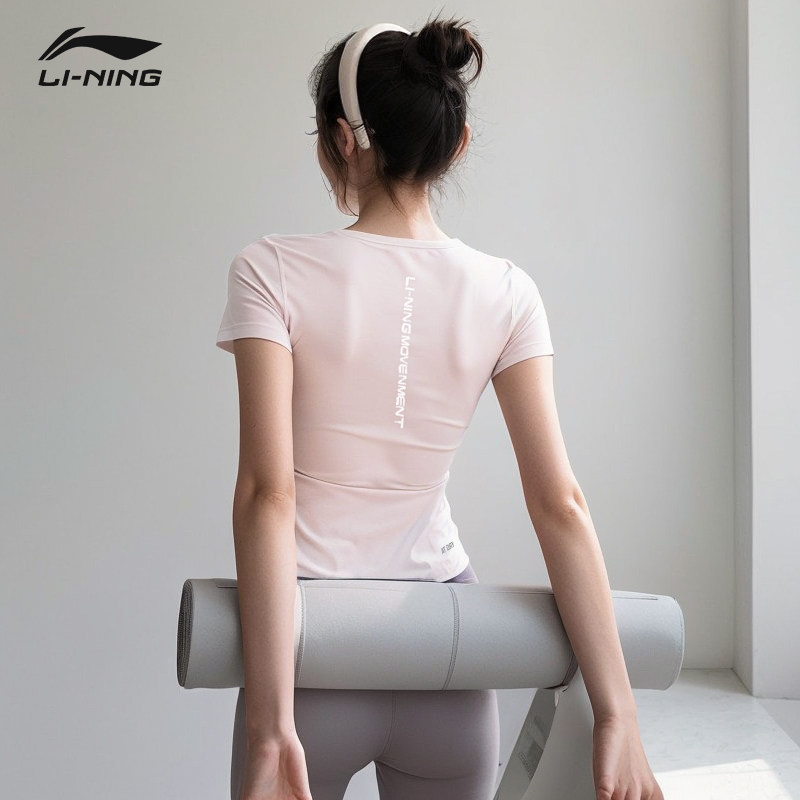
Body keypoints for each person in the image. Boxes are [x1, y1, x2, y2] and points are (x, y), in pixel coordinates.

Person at [215, 12, 664, 800]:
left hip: (311, 656)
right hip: (448, 663)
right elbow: (560, 503)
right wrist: (617, 711)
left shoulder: (271, 271)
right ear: (455, 144)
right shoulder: (508, 291)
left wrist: (271, 726)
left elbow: (266, 495)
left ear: (340, 139)